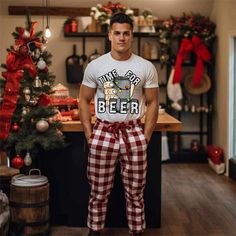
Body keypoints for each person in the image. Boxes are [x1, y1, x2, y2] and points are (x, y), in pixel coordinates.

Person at [79, 12, 159, 236]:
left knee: (135, 191)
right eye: (117, 33)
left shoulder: (145, 67)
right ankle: (95, 230)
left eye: (126, 33)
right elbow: (83, 100)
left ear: (132, 35)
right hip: (103, 131)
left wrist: (146, 136)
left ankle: (137, 230)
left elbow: (153, 103)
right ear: (109, 35)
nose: (122, 37)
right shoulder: (96, 66)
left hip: (133, 132)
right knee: (98, 189)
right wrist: (89, 134)